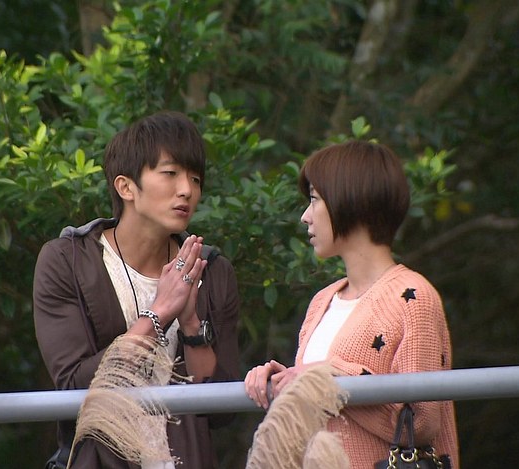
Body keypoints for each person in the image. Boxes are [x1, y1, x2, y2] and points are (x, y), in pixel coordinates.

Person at [33, 111, 240, 469]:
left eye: (195, 178)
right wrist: (159, 313)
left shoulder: (212, 271)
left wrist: (191, 326)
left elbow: (222, 412)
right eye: (170, 173)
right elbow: (73, 386)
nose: (187, 190)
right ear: (126, 187)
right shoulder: (67, 261)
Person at [244, 140, 459, 468]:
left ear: (350, 199)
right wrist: (283, 381)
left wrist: (329, 376)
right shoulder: (322, 301)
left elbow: (421, 421)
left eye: (314, 199)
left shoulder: (413, 296)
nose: (305, 217)